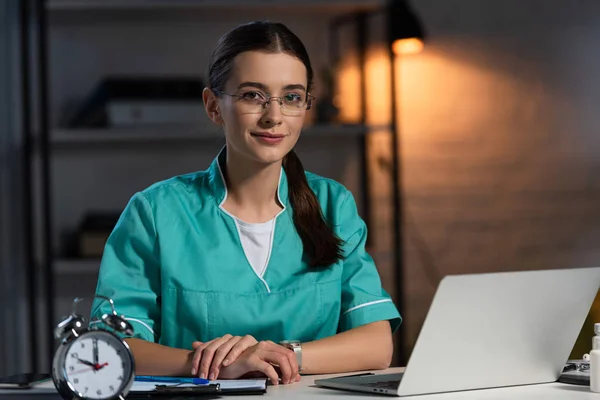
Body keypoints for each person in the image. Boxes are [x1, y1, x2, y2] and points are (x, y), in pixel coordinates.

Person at [91, 20, 401, 386]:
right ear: (213, 106)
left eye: (291, 97)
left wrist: (277, 356)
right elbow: (109, 349)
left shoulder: (334, 205)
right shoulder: (155, 212)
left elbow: (376, 344)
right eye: (253, 95)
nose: (274, 116)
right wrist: (214, 364)